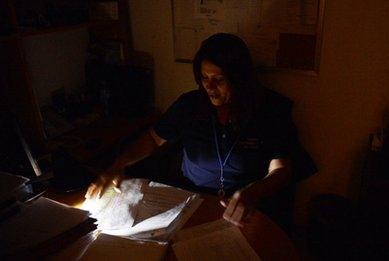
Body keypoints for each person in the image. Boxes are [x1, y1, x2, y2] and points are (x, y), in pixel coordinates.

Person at [86, 33, 300, 228]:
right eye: (204, 78)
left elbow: (281, 170)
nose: (209, 87)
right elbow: (152, 139)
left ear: (239, 79)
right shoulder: (190, 105)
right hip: (193, 201)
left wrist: (253, 192)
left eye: (219, 80)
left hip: (244, 208)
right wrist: (118, 164)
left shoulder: (269, 109)